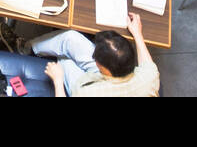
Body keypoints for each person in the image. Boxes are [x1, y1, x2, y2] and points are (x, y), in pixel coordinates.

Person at [10, 14, 159, 97]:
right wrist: (137, 34)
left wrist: (57, 80)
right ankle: (26, 48)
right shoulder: (149, 77)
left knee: (64, 60)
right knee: (70, 38)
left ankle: (26, 51)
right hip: (109, 79)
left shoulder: (87, 94)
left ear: (102, 67)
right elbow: (148, 64)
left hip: (92, 86)